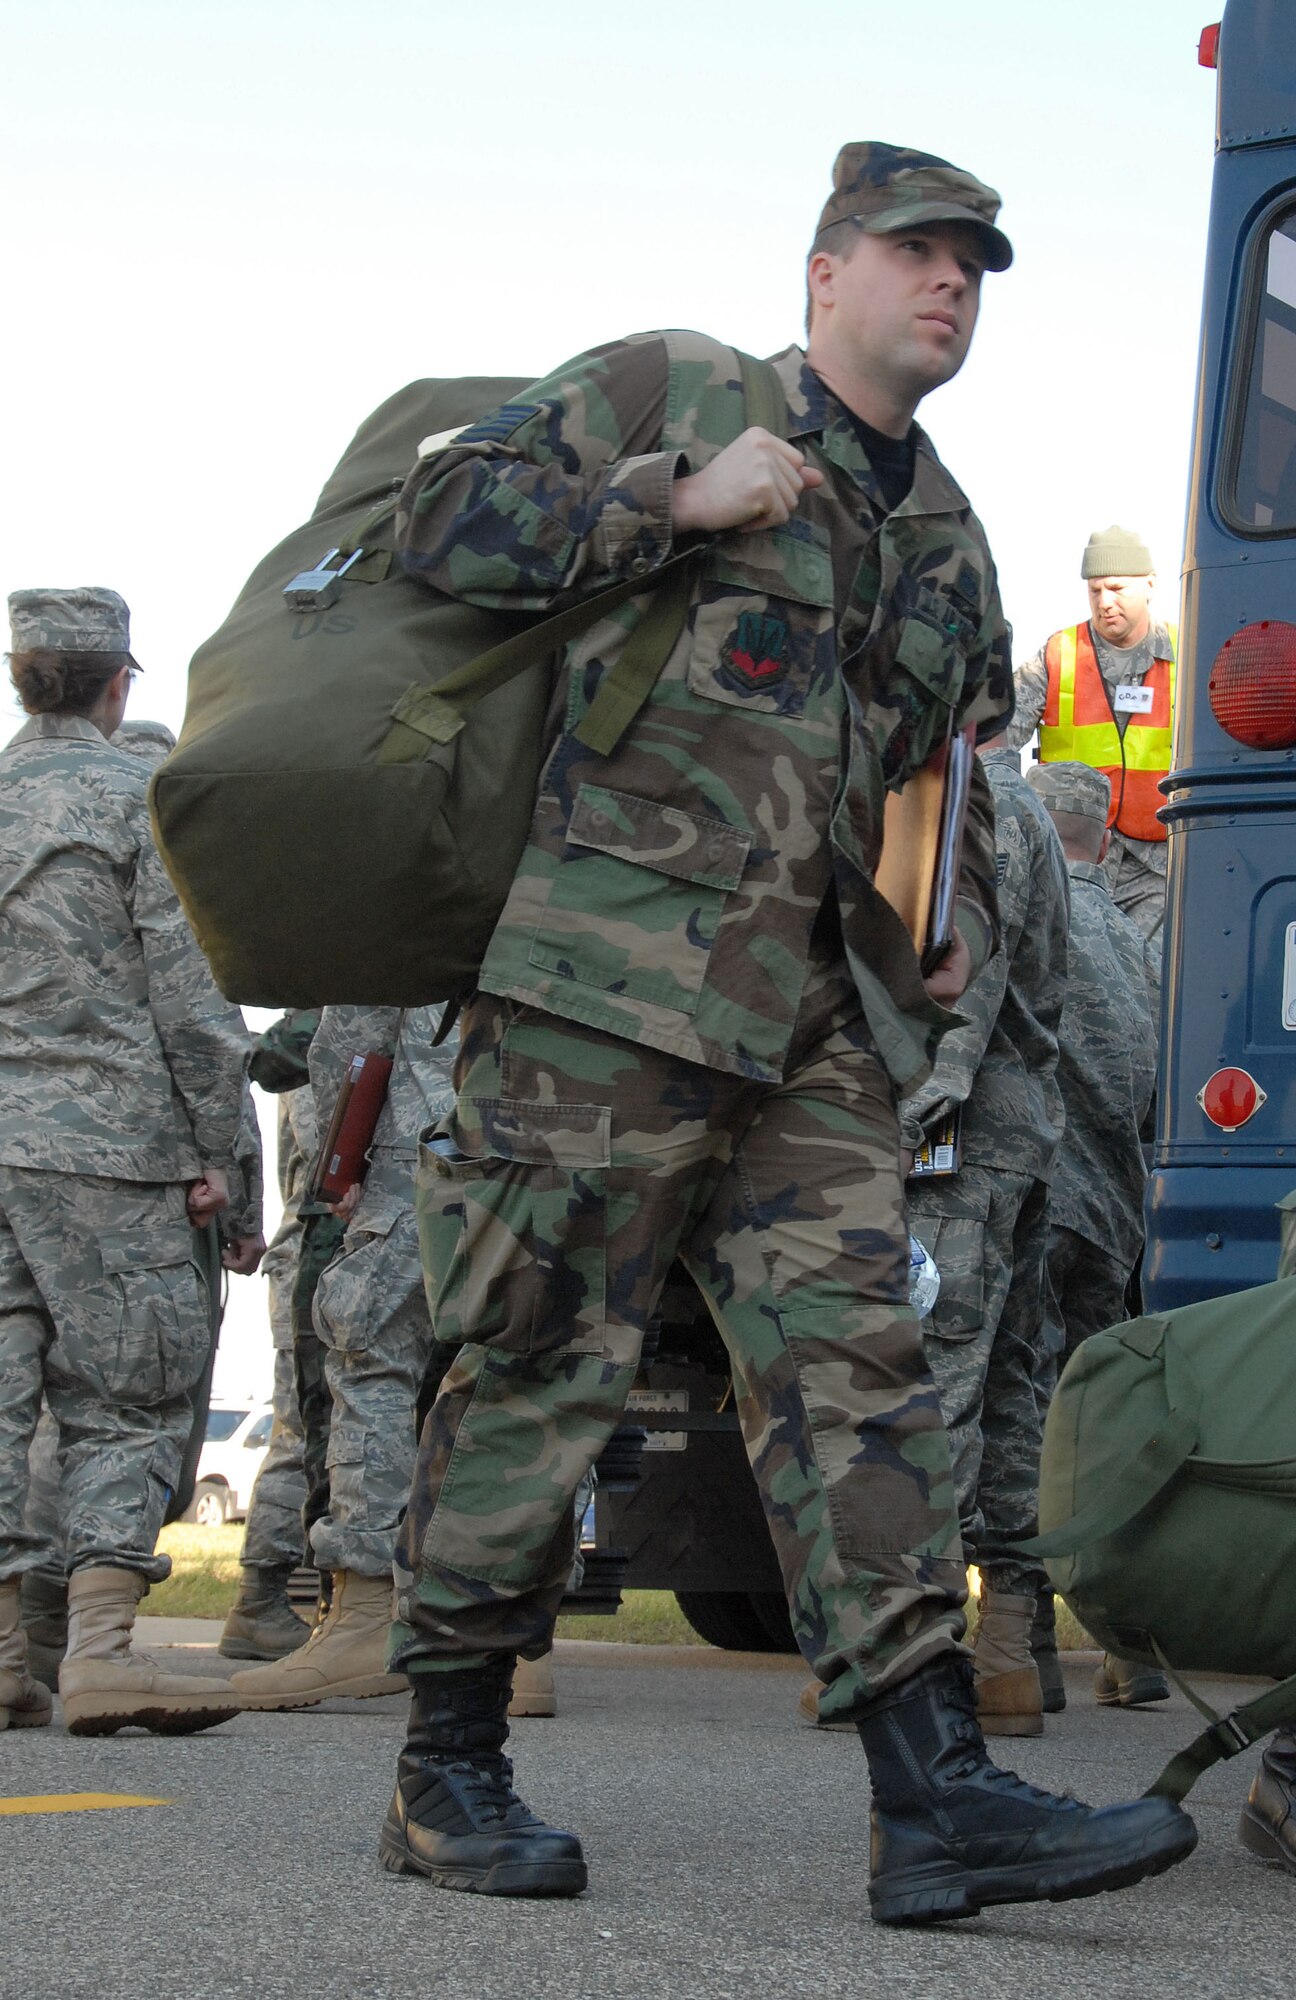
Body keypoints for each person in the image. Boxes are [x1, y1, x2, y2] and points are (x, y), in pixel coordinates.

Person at [374, 143, 1196, 1922]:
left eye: (974, 262)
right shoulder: (675, 387)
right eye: (915, 251)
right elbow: (439, 519)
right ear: (825, 274)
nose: (949, 283)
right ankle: (445, 1774)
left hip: (814, 1023)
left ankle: (935, 1803)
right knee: (536, 1367)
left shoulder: (950, 533)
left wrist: (934, 945)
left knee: (861, 1386)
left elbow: (930, 766)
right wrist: (669, 501)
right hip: (594, 992)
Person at [0, 587, 249, 1735]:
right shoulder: (139, 802)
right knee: (126, 1396)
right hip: (109, 1147)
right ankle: (100, 1653)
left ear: (20, 677)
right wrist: (223, 1152)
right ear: (118, 683)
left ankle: (7, 1653)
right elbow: (193, 1007)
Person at [901, 740, 1069, 1737]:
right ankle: (1007, 1648)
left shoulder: (982, 801)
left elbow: (956, 996)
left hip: (956, 1142)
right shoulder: (1017, 803)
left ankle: (924, 1657)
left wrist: (894, 1124)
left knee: (933, 1381)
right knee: (1010, 1386)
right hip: (1013, 1137)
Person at [233, 1004, 457, 1709]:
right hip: (562, 1141)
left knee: (371, 1363)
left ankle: (363, 1614)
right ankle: (517, 1643)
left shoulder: (425, 892)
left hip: (426, 1142)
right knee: (526, 1367)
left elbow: (353, 1028)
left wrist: (343, 1163)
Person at [1025, 760, 1164, 1711]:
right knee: (1100, 1433)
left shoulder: (1025, 916)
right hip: (1114, 1215)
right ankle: (1132, 1644)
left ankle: (1020, 1644)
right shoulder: (1137, 935)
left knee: (1014, 1415)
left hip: (1035, 1200)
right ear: (1107, 842)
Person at [1007, 527, 1174, 950]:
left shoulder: (1186, 652)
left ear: (1150, 584)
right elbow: (998, 733)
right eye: (1095, 590)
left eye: (1117, 588)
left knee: (1149, 977)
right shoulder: (1058, 654)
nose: (1105, 602)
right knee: (1069, 977)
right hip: (1072, 859)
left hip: (1155, 865)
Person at [218, 1010, 321, 1662]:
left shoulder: (314, 1015)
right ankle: (260, 1598)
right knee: (302, 1431)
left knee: (307, 1430)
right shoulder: (329, 1019)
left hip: (321, 1253)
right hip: (324, 1251)